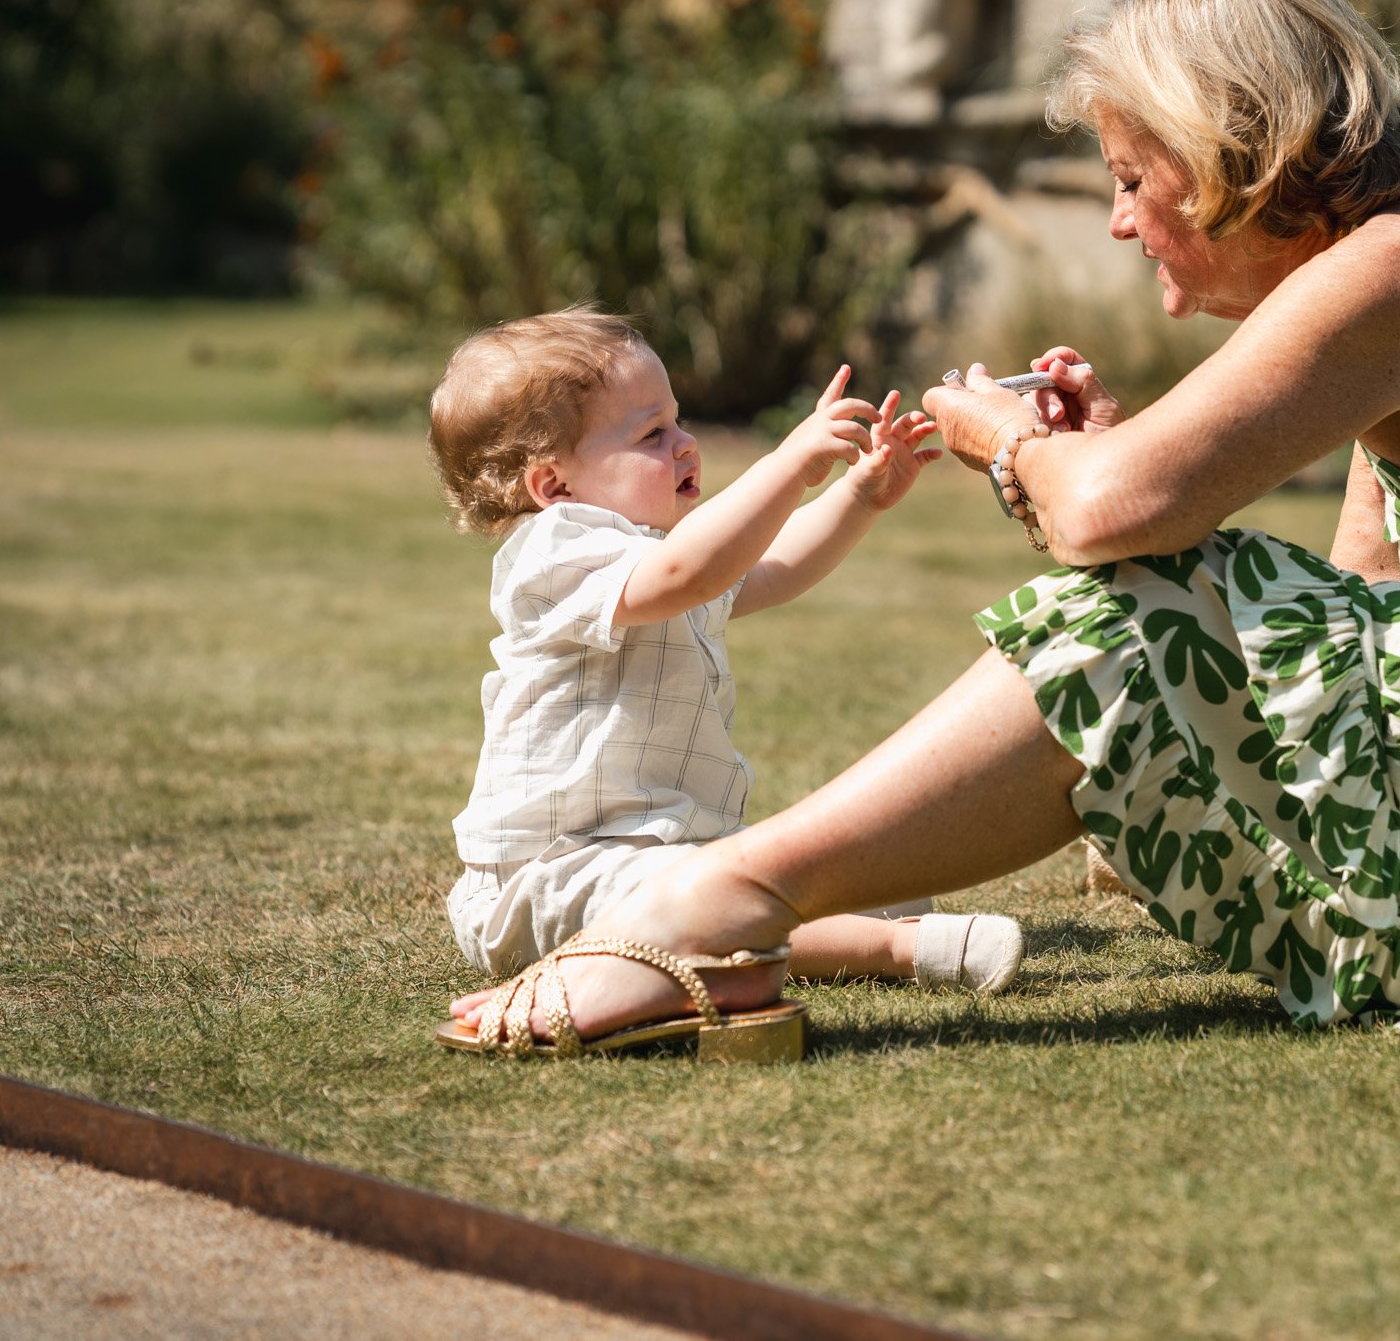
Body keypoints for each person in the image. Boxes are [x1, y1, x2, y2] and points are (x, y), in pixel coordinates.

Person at [441, 0, 1400, 1058]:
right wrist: (1109, 468)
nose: (1114, 216)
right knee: (1177, 584)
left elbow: (1118, 531)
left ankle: (712, 905)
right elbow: (1362, 592)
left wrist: (1002, 438)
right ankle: (735, 905)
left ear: (1230, 151)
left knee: (1137, 605)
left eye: (1129, 170)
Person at [425, 308, 1025, 1019]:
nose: (685, 444)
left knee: (805, 869)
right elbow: (689, 571)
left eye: (678, 422)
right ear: (552, 486)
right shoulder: (553, 553)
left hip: (665, 845)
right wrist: (787, 464)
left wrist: (859, 494)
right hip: (552, 876)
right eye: (653, 434)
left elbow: (766, 567)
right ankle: (899, 948)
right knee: (712, 908)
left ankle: (861, 914)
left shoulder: (662, 546)